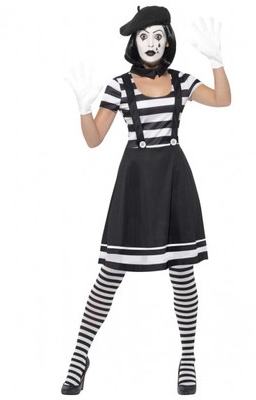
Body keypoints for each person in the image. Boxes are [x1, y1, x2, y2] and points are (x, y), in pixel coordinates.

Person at [61, 5, 231, 396]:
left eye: (157, 35)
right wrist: (84, 110)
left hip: (173, 180)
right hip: (135, 183)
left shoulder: (181, 81)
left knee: (182, 272)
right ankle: (79, 355)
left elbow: (223, 100)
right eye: (143, 36)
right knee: (109, 273)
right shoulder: (119, 86)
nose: (151, 43)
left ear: (167, 41)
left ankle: (187, 358)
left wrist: (216, 61)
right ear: (134, 43)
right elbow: (93, 140)